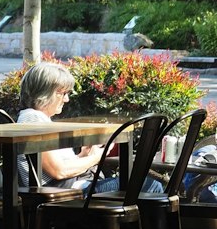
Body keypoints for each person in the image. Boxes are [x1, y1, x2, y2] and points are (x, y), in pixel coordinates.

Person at [16, 60, 162, 195]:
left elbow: (58, 167)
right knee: (150, 186)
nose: (66, 99)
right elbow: (59, 171)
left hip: (69, 186)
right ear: (44, 92)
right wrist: (97, 157)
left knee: (143, 184)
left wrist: (84, 156)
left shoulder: (39, 119)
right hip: (63, 193)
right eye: (62, 93)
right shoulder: (32, 119)